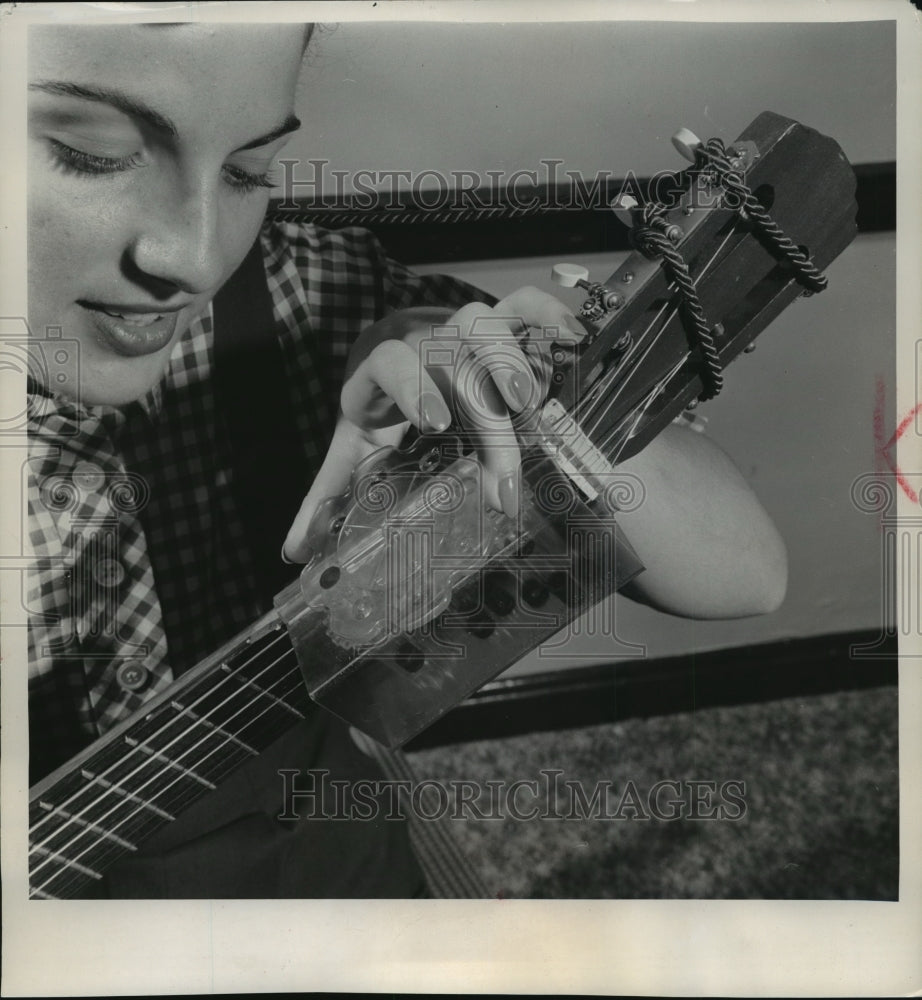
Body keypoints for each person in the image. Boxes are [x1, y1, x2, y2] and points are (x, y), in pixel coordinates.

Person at [25, 21, 787, 898]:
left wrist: (522, 405)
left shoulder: (301, 294)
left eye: (247, 170)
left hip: (312, 861)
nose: (194, 257)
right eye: (93, 154)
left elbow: (747, 575)